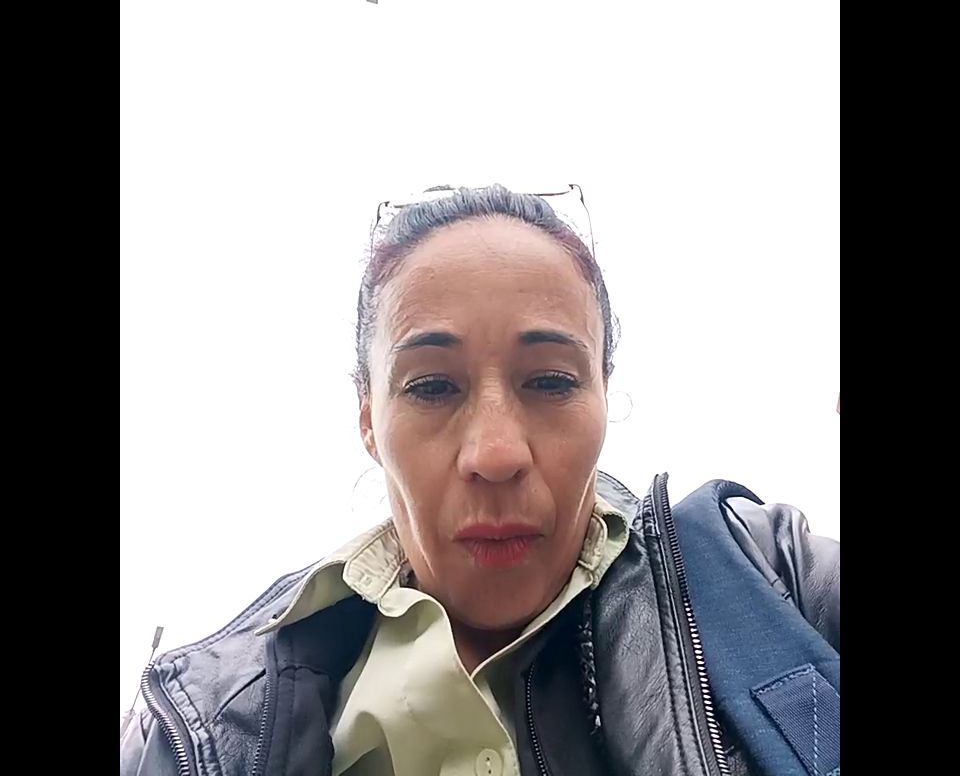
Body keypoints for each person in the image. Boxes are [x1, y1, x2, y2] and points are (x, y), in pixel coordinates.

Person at [120, 184, 839, 776]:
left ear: (603, 391)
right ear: (369, 419)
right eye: (432, 387)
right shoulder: (200, 720)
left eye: (551, 381)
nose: (496, 454)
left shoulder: (763, 577)